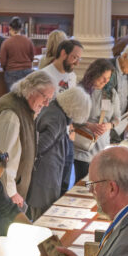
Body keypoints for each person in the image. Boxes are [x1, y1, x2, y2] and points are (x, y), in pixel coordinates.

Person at [0, 70, 55, 209]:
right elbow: (1, 159)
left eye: (50, 99)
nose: (47, 103)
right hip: (0, 195)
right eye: (45, 97)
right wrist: (11, 193)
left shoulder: (25, 107)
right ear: (31, 90)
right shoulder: (11, 115)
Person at [26, 87, 91, 220]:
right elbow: (39, 147)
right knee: (42, 220)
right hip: (44, 181)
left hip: (47, 178)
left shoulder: (55, 108)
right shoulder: (56, 119)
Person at [72, 59, 115, 181]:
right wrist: (89, 125)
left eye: (108, 78)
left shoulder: (110, 93)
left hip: (102, 146)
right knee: (84, 183)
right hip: (83, 148)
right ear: (95, 73)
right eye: (103, 77)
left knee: (99, 183)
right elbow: (71, 118)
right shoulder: (79, 91)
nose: (106, 81)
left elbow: (117, 118)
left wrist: (109, 125)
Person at [0, 16, 35, 91]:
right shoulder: (29, 41)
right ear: (21, 28)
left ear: (10, 28)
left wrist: (7, 68)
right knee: (26, 97)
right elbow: (32, 58)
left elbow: (2, 62)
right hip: (27, 72)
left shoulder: (6, 43)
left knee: (13, 98)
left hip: (12, 73)